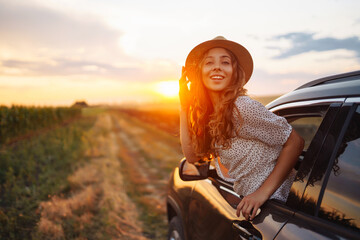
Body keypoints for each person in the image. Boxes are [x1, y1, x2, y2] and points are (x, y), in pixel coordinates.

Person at [179, 36, 304, 221]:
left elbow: (295, 142)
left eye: (225, 62)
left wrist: (261, 194)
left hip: (279, 206)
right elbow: (192, 157)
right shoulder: (214, 117)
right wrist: (184, 105)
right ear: (200, 73)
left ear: (234, 72)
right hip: (259, 209)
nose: (217, 67)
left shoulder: (241, 107)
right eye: (209, 62)